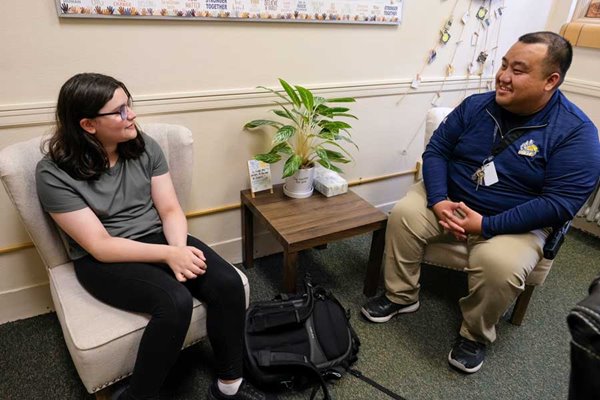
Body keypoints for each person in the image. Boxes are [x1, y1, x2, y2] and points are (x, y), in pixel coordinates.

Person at [361, 31, 600, 374]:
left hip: (514, 220)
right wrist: (440, 200)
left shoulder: (577, 134)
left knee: (498, 266)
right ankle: (401, 296)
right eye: (504, 64)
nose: (503, 76)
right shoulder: (476, 105)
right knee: (403, 215)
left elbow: (560, 204)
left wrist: (486, 225)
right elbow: (437, 151)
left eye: (518, 70)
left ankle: (474, 334)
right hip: (451, 198)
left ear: (551, 80)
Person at [35, 73, 276, 400]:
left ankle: (229, 387)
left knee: (228, 283)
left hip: (158, 237)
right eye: (119, 111)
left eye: (129, 105)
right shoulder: (53, 173)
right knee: (174, 303)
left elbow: (170, 210)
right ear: (88, 125)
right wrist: (168, 256)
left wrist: (177, 250)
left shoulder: (144, 146)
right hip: (102, 259)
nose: (131, 115)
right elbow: (100, 245)